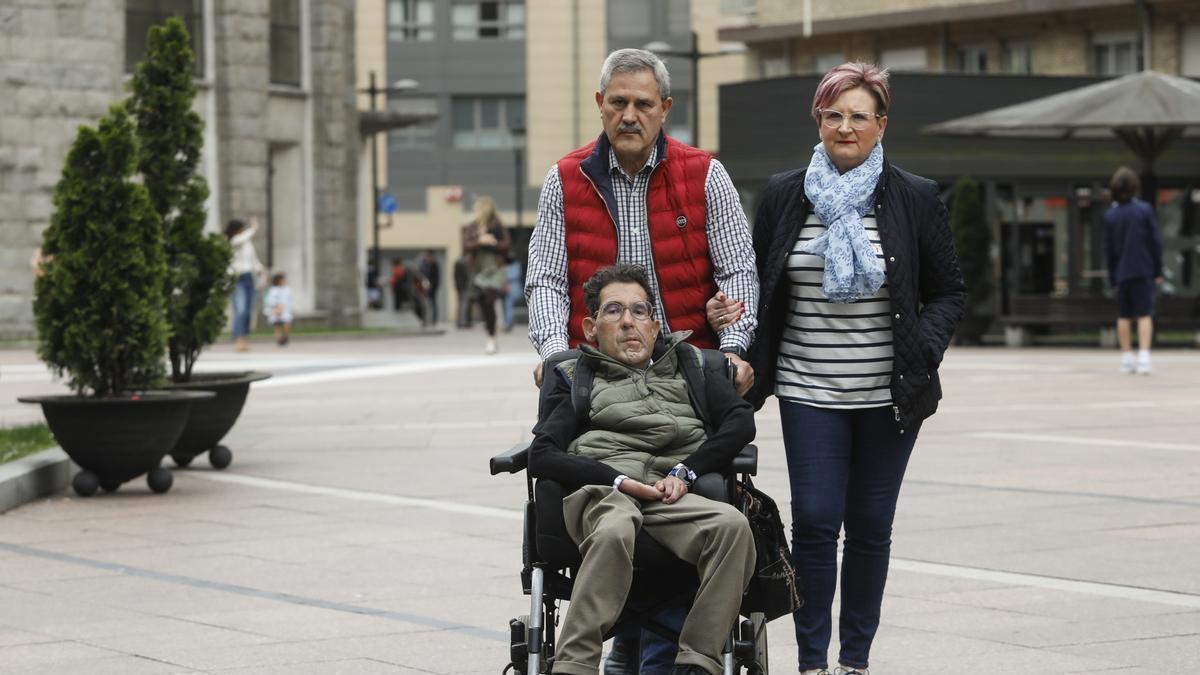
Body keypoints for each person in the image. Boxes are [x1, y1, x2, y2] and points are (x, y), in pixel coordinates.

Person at [525, 46, 760, 673]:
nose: (630, 114)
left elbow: (738, 273)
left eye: (643, 104)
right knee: (616, 513)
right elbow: (545, 278)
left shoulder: (703, 174)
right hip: (596, 372)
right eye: (619, 102)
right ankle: (620, 654)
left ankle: (669, 658)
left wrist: (732, 351)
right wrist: (556, 357)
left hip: (684, 374)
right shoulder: (566, 178)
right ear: (600, 105)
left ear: (666, 110)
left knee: (707, 508)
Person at [745, 62, 965, 675]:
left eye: (858, 115)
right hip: (806, 385)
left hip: (889, 394)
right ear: (817, 120)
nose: (845, 126)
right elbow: (762, 282)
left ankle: (855, 661)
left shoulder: (914, 196)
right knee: (815, 521)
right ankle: (812, 662)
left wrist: (921, 349)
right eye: (833, 114)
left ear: (881, 124)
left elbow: (949, 290)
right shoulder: (786, 193)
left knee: (870, 525)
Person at [528, 264, 756, 675]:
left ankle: (697, 661)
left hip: (671, 493)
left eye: (640, 311)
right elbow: (542, 453)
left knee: (733, 528)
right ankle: (574, 665)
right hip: (606, 493)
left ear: (655, 325)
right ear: (591, 327)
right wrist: (615, 479)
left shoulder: (692, 366)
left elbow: (740, 422)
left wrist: (686, 472)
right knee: (615, 530)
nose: (629, 322)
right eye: (614, 311)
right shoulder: (577, 375)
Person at [1104, 166, 1163, 375]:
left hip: (1122, 272)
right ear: (1135, 187)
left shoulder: (1111, 215)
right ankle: (1144, 356)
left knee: (1124, 315)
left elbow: (1109, 251)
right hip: (1143, 269)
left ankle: (1127, 357)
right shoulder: (1144, 210)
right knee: (1145, 313)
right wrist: (1157, 269)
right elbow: (1155, 242)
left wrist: (1113, 278)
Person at [462, 196, 512, 354]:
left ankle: (491, 337)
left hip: (495, 267)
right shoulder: (472, 226)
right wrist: (480, 241)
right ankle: (491, 331)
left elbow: (507, 244)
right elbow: (466, 245)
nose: (475, 211)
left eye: (477, 208)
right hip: (479, 268)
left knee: (489, 297)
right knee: (482, 300)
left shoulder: (496, 224)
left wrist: (494, 242)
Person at [226, 218, 265, 352]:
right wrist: (253, 228)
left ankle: (245, 338)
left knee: (248, 310)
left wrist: (259, 268)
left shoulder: (247, 242)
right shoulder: (233, 241)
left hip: (249, 277)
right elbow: (241, 239)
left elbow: (252, 259)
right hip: (237, 278)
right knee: (240, 309)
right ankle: (238, 338)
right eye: (242, 228)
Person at [264, 272, 294, 346]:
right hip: (276, 310)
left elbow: (290, 300)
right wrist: (276, 307)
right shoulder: (273, 290)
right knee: (278, 325)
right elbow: (270, 300)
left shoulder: (287, 289)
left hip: (286, 310)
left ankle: (286, 336)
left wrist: (289, 308)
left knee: (287, 324)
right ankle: (279, 338)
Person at [419, 249, 441, 325]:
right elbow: (420, 274)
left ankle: (434, 320)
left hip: (432, 287)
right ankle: (425, 320)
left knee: (433, 303)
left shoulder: (434, 264)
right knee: (424, 304)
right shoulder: (423, 263)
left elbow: (436, 278)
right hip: (423, 287)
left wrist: (433, 286)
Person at [503, 258, 523, 332]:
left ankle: (508, 323)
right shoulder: (517, 267)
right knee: (508, 306)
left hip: (512, 288)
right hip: (516, 288)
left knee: (508, 306)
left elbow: (508, 277)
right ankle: (508, 323)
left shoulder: (509, 268)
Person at [454, 256, 473, 328]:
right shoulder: (463, 265)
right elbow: (466, 277)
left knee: (461, 305)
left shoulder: (457, 265)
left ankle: (460, 322)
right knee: (463, 305)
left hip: (460, 287)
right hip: (463, 287)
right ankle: (463, 322)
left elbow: (455, 276)